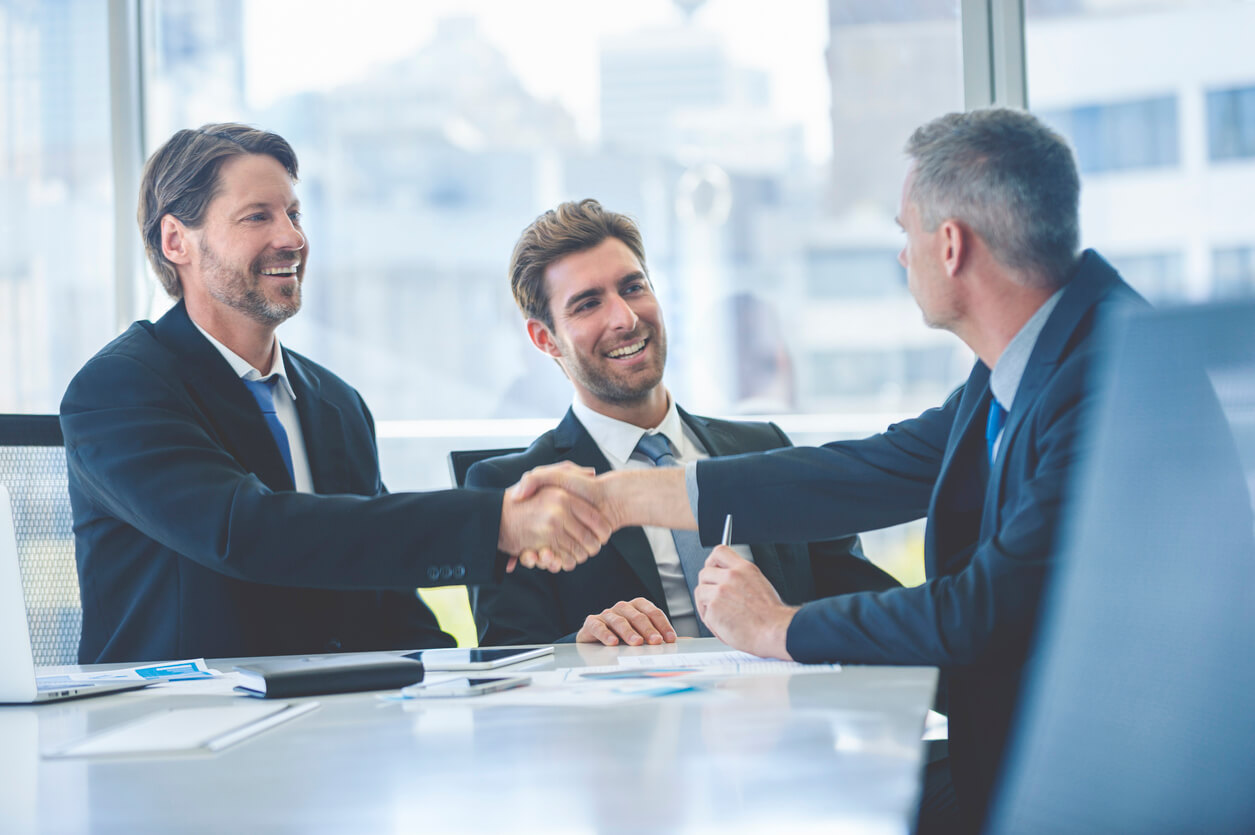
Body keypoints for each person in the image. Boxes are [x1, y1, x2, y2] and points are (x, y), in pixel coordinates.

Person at [517, 108, 1144, 830]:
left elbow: (982, 610)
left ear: (950, 245)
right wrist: (621, 496)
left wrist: (777, 626)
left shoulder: (1104, 377)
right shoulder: (1025, 366)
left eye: (904, 233)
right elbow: (862, 472)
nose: (901, 257)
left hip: (1096, 782)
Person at [61, 124, 611, 665]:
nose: (293, 238)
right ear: (176, 240)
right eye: (258, 217)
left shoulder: (334, 403)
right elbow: (245, 531)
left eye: (294, 215)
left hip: (330, 724)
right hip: (177, 729)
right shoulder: (120, 389)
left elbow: (390, 603)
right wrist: (495, 522)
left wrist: (532, 668)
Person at [467, 200, 897, 646]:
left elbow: (862, 601)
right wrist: (581, 644)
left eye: (633, 288)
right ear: (545, 339)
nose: (625, 318)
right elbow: (509, 659)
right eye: (589, 304)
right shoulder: (515, 492)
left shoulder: (765, 448)